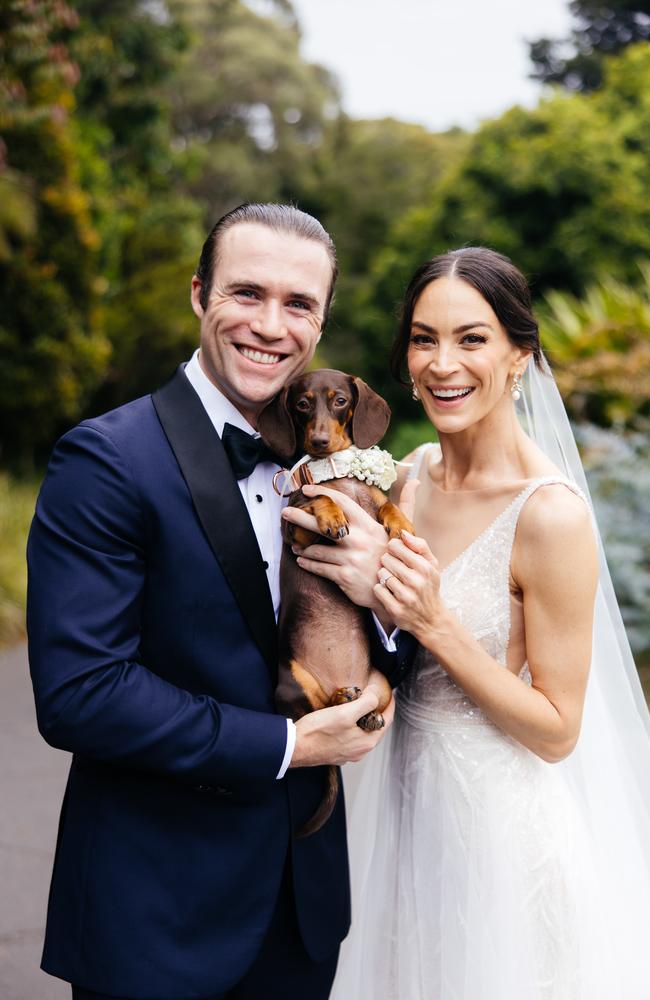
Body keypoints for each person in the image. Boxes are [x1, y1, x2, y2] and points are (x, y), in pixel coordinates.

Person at [26, 203, 414, 1000]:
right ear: (200, 294)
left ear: (322, 320)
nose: (271, 325)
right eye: (247, 293)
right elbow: (80, 694)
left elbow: (374, 632)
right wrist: (288, 747)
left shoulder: (338, 468)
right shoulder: (105, 460)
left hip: (303, 907)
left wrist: (385, 644)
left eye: (299, 304)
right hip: (157, 916)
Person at [294, 247, 650, 999]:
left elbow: (558, 730)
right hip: (394, 823)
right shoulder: (408, 476)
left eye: (472, 338)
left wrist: (434, 621)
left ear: (521, 355)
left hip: (499, 847)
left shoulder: (549, 515)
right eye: (424, 339)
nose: (442, 363)